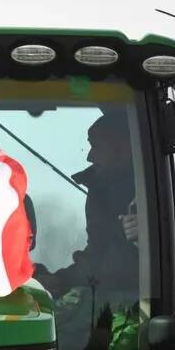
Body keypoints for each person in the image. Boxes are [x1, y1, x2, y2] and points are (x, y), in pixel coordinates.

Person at [38, 111, 138, 294]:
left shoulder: (152, 192)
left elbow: (115, 266)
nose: (89, 157)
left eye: (96, 146)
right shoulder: (101, 189)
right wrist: (61, 281)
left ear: (124, 147)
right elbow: (99, 257)